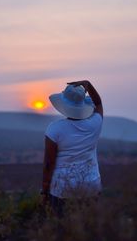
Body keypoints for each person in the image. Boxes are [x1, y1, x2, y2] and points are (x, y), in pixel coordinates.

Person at [41, 80, 103, 215]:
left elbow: (48, 164)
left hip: (62, 188)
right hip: (91, 185)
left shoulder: (55, 129)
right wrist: (88, 85)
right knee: (88, 227)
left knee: (62, 228)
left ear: (64, 105)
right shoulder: (95, 123)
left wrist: (45, 191)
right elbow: (98, 103)